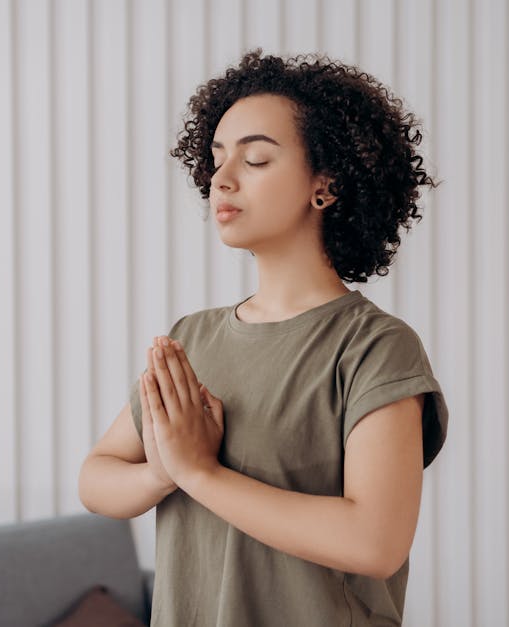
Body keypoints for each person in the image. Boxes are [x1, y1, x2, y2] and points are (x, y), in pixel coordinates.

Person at [78, 48, 449, 627]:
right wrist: (163, 471)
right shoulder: (192, 338)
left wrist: (201, 473)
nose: (221, 178)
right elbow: (96, 477)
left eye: (255, 159)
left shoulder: (376, 347)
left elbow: (375, 544)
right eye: (217, 158)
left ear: (324, 184)